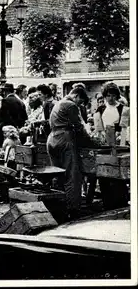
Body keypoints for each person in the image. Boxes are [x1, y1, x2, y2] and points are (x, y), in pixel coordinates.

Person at [47, 86, 94, 219]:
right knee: (72, 176)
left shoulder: (58, 104)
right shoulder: (70, 105)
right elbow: (79, 127)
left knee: (58, 175)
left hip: (52, 139)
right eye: (80, 101)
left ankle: (60, 208)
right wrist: (91, 142)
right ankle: (73, 211)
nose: (79, 105)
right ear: (76, 96)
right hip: (64, 139)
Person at [0, 83, 28, 149]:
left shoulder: (4, 101)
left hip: (7, 132)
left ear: (5, 92)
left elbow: (1, 118)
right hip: (18, 133)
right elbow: (25, 118)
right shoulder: (21, 102)